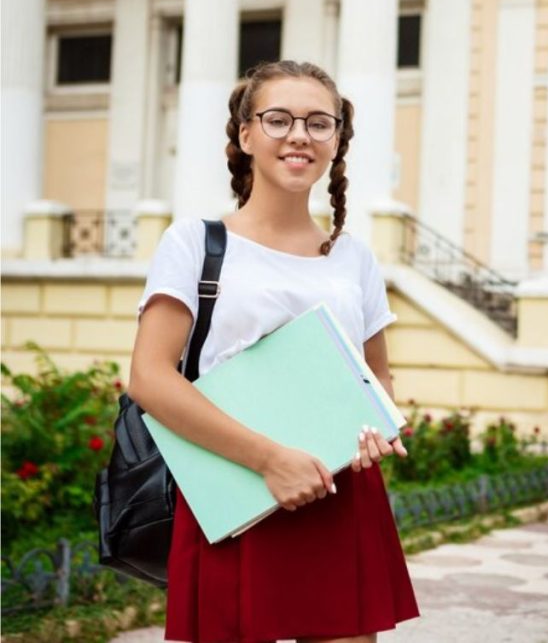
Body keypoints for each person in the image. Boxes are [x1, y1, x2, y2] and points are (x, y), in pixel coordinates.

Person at [128, 60, 419, 643]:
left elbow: (378, 378)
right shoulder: (195, 242)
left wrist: (375, 430)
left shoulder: (353, 257)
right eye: (279, 119)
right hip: (234, 487)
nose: (299, 136)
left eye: (319, 123)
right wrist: (268, 460)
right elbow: (150, 379)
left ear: (337, 141)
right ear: (245, 135)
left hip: (337, 493)